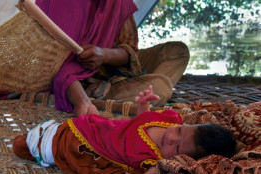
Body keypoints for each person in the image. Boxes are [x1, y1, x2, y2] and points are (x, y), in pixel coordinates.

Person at [13, 85, 237, 174]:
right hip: (105, 126)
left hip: (89, 147)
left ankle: (37, 143)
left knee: (27, 145)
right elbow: (141, 121)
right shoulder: (170, 118)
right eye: (179, 130)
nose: (170, 136)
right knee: (88, 113)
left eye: (177, 146)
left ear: (182, 159)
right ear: (184, 123)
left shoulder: (152, 160)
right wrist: (144, 105)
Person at [35, 0, 190, 117]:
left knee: (177, 51)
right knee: (161, 86)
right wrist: (82, 101)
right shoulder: (58, 5)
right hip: (82, 82)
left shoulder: (115, 3)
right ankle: (140, 99)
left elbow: (130, 50)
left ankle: (144, 96)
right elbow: (55, 68)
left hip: (114, 68)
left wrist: (104, 54)